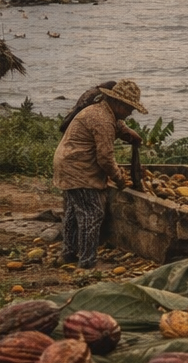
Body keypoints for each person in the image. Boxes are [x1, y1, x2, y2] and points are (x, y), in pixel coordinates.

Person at [52, 78, 146, 269]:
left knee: (72, 212)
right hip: (78, 168)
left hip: (66, 162)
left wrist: (128, 132)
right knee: (92, 213)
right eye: (129, 108)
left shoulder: (101, 110)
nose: (130, 113)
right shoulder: (102, 119)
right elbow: (105, 158)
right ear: (119, 103)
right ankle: (87, 262)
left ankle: (68, 254)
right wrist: (120, 180)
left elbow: (116, 123)